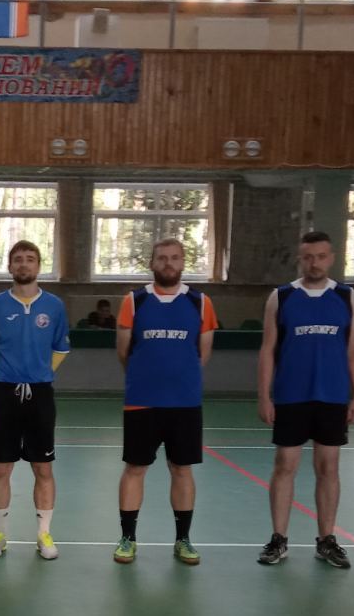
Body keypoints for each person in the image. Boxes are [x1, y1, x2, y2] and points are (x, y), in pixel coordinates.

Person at [256, 231, 354, 569]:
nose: (314, 263)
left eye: (320, 256)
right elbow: (268, 350)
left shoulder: (346, 297)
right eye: (308, 257)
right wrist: (264, 395)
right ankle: (279, 539)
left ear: (331, 258)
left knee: (328, 468)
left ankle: (326, 540)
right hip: (291, 396)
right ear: (300, 259)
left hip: (332, 396)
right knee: (284, 466)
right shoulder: (281, 297)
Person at [111, 239, 215, 566]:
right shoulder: (134, 301)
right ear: (152, 263)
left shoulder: (201, 303)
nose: (168, 263)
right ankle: (128, 538)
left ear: (183, 262)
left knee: (181, 469)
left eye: (174, 258)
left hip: (184, 403)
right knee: (135, 468)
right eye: (162, 258)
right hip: (142, 401)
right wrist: (146, 377)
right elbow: (124, 352)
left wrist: (179, 378)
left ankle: (183, 539)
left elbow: (202, 354)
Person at [0, 241, 70, 561]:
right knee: (1, 467)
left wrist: (41, 374)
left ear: (39, 266)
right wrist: (4, 375)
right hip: (5, 394)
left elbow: (61, 348)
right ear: (10, 266)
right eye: (18, 259)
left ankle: (44, 534)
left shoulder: (54, 306)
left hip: (41, 394)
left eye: (30, 259)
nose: (24, 264)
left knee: (43, 467)